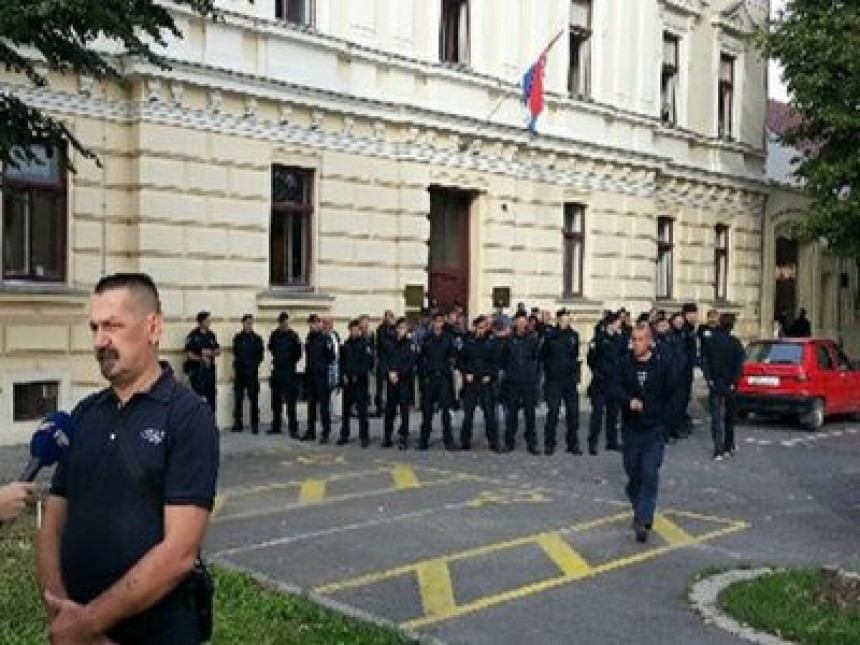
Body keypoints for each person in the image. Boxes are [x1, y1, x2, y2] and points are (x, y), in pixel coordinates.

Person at [38, 273, 219, 643]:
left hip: (158, 631)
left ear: (153, 327)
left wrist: (88, 624)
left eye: (113, 326)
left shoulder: (188, 417)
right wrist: (63, 616)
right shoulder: (84, 415)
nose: (100, 341)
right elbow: (51, 523)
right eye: (94, 328)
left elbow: (180, 552)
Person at [614, 323, 672, 543]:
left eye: (640, 340)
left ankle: (643, 518)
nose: (636, 344)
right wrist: (628, 401)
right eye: (634, 339)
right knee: (633, 473)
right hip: (631, 428)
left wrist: (666, 421)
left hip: (654, 428)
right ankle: (640, 504)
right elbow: (615, 387)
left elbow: (671, 393)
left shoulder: (661, 364)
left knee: (649, 473)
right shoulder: (623, 364)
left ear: (649, 341)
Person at [702, 314, 745, 460]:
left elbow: (705, 361)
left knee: (716, 418)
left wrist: (709, 379)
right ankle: (729, 445)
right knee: (729, 417)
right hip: (730, 385)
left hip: (715, 383)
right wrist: (734, 381)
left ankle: (718, 449)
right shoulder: (735, 343)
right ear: (732, 326)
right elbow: (739, 365)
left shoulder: (711, 340)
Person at [541, 309, 582, 456]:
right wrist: (550, 370)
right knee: (553, 413)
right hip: (555, 380)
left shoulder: (574, 335)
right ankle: (549, 443)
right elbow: (543, 355)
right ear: (558, 320)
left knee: (573, 414)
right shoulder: (550, 336)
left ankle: (573, 443)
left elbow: (575, 354)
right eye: (564, 320)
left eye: (568, 320)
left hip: (569, 380)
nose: (566, 323)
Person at [458, 316, 501, 452]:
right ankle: (465, 441)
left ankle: (493, 441)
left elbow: (496, 362)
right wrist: (466, 373)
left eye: (484, 327)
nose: (482, 330)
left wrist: (490, 375)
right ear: (475, 327)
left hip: (485, 382)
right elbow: (460, 361)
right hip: (471, 383)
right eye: (480, 327)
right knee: (468, 414)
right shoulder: (467, 342)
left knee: (489, 414)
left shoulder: (491, 342)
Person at [503, 311, 541, 454]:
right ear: (515, 323)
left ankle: (532, 443)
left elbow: (536, 358)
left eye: (523, 322)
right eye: (519, 322)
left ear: (526, 324)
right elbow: (504, 358)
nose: (521, 325)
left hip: (528, 381)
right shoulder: (509, 339)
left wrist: (533, 374)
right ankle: (509, 441)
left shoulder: (532, 339)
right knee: (511, 413)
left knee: (530, 414)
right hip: (512, 381)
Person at [419, 312, 457, 450]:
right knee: (427, 412)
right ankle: (423, 441)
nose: (438, 324)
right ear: (432, 322)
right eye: (436, 321)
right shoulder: (426, 338)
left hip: (443, 378)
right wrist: (425, 374)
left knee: (445, 412)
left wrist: (447, 366)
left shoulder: (448, 338)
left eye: (441, 321)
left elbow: (453, 356)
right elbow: (421, 358)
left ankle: (449, 441)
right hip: (430, 378)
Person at [587, 312, 623, 454]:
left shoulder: (620, 339)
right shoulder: (599, 339)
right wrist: (597, 371)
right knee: (597, 413)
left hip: (614, 382)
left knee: (613, 414)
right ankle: (593, 442)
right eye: (617, 322)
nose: (619, 324)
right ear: (610, 324)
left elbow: (624, 357)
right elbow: (591, 358)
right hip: (600, 382)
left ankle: (612, 442)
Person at [338, 320, 374, 447]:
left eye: (356, 330)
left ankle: (364, 437)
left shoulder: (365, 344)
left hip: (360, 382)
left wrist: (358, 375)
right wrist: (343, 375)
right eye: (352, 330)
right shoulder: (346, 345)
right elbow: (341, 363)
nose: (354, 332)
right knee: (346, 411)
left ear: (359, 330)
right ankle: (344, 435)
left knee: (362, 411)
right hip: (348, 382)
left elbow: (368, 364)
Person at [383, 318, 417, 450]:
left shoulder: (410, 345)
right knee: (389, 410)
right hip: (391, 381)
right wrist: (389, 373)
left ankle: (404, 437)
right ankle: (387, 436)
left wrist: (398, 374)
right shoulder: (389, 343)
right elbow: (384, 360)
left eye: (404, 328)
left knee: (404, 411)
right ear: (396, 329)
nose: (402, 330)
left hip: (403, 382)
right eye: (400, 327)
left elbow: (410, 363)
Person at [302, 314, 336, 443]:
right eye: (311, 323)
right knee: (311, 406)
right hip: (310, 376)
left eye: (316, 323)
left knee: (323, 407)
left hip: (322, 377)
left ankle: (325, 432)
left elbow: (331, 356)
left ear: (319, 324)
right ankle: (311, 431)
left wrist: (322, 366)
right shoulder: (309, 338)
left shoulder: (325, 338)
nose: (313, 325)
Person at [268, 312, 303, 437]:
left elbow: (299, 353)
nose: (285, 324)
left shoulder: (293, 336)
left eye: (287, 322)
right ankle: (276, 426)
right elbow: (271, 348)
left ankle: (293, 428)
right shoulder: (274, 335)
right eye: (283, 322)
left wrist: (289, 361)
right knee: (276, 401)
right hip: (277, 371)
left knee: (291, 401)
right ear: (280, 322)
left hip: (289, 371)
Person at [231, 314, 264, 434]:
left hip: (252, 373)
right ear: (243, 323)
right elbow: (236, 353)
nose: (249, 325)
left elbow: (260, 356)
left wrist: (252, 366)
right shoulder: (238, 338)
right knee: (238, 399)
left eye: (251, 323)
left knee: (254, 400)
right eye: (247, 323)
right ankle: (237, 423)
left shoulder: (257, 339)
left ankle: (254, 424)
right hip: (240, 373)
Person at [184, 311, 220, 413]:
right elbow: (189, 354)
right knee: (197, 398)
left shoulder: (211, 335)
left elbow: (218, 350)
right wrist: (201, 358)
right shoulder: (192, 336)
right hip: (197, 372)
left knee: (212, 397)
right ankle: (198, 424)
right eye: (207, 320)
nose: (209, 322)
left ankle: (211, 422)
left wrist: (208, 352)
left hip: (210, 372)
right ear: (201, 321)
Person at [374, 310, 397, 417]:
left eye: (391, 317)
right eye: (388, 316)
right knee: (380, 387)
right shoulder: (381, 329)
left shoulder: (395, 329)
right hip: (382, 361)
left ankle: (392, 408)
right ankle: (379, 409)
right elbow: (384, 343)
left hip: (391, 361)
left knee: (392, 386)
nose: (390, 319)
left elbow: (397, 342)